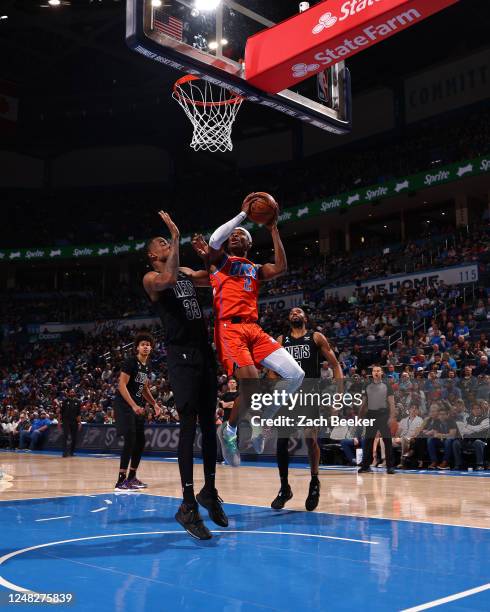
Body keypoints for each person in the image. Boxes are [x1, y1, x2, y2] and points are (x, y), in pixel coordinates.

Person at [192, 194, 305, 467]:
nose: (235, 236)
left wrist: (273, 227)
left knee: (295, 374)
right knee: (252, 386)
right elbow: (216, 240)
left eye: (240, 234)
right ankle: (229, 431)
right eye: (233, 234)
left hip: (253, 328)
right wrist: (242, 216)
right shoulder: (221, 262)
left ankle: (265, 418)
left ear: (249, 243)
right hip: (230, 329)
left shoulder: (255, 268)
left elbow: (281, 267)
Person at [144, 211, 228, 540]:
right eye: (161, 242)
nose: (166, 242)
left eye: (168, 240)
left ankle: (209, 490)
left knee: (210, 426)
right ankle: (187, 504)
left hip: (203, 352)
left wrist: (213, 253)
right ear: (153, 255)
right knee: (189, 425)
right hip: (180, 357)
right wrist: (176, 238)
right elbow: (164, 280)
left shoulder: (185, 272)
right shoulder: (151, 279)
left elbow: (213, 277)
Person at [270, 307, 343, 512]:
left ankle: (314, 482)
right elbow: (272, 372)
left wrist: (339, 393)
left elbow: (335, 365)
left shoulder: (316, 337)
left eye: (299, 311)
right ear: (288, 318)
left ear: (305, 318)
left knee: (310, 439)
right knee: (281, 442)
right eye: (292, 312)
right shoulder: (281, 340)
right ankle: (284, 488)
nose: (295, 313)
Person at [113, 333, 161, 492]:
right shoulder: (130, 362)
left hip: (137, 406)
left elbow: (145, 387)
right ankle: (121, 481)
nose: (146, 346)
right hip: (124, 404)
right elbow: (121, 385)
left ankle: (132, 477)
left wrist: (154, 404)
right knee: (131, 439)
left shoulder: (147, 365)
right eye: (143, 344)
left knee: (140, 441)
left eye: (148, 344)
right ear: (137, 347)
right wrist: (133, 405)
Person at [358, 366, 397, 474]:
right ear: (372, 372)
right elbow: (363, 403)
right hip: (370, 415)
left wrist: (392, 417)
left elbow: (392, 403)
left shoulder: (387, 385)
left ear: (381, 372)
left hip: (383, 415)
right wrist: (359, 416)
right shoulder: (366, 385)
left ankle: (390, 466)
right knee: (368, 441)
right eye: (374, 371)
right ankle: (365, 466)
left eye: (378, 371)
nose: (376, 372)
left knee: (387, 440)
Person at [453, 403, 489, 470]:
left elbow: (478, 429)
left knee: (478, 442)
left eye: (478, 408)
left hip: (483, 442)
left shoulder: (486, 419)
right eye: (474, 409)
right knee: (456, 443)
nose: (476, 410)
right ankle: (458, 464)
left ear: (482, 409)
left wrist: (467, 426)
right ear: (472, 410)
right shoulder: (468, 419)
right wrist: (469, 429)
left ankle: (480, 465)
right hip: (469, 440)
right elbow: (464, 431)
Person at [59, 388, 81, 457]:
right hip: (66, 421)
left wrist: (79, 423)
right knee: (65, 436)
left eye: (73, 392)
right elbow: (61, 412)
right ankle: (64, 452)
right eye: (70, 392)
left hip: (74, 421)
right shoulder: (65, 401)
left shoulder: (78, 401)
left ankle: (71, 452)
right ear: (68, 393)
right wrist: (59, 422)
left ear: (74, 393)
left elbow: (79, 414)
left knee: (74, 437)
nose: (72, 393)